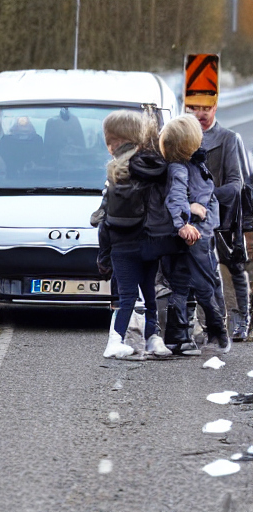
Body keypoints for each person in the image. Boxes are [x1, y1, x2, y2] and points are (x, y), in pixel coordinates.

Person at [97, 110, 175, 359]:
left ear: (116, 142)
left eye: (111, 141)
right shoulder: (154, 167)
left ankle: (115, 340)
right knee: (150, 292)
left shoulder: (114, 173)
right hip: (149, 241)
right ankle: (153, 337)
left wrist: (103, 255)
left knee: (127, 296)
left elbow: (105, 220)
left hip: (121, 245)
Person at [159, 114, 231, 354]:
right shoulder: (181, 167)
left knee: (181, 284)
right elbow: (176, 196)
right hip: (194, 235)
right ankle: (216, 335)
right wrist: (184, 222)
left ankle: (178, 338)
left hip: (196, 232)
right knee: (203, 285)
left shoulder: (193, 163)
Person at [185, 99, 250, 341]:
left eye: (206, 108)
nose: (200, 113)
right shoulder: (184, 136)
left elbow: (236, 184)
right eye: (194, 108)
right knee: (203, 271)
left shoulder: (228, 138)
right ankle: (208, 324)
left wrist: (205, 196)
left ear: (215, 108)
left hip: (224, 215)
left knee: (233, 265)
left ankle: (241, 319)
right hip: (193, 217)